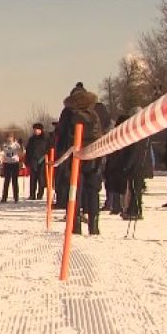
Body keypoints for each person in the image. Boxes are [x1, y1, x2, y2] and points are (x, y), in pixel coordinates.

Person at [58, 85, 104, 235]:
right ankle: (94, 225)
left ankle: (75, 224)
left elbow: (62, 134)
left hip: (75, 155)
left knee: (74, 190)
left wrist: (61, 157)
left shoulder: (68, 112)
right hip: (94, 154)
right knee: (93, 191)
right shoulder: (96, 110)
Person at [25, 124, 49, 200]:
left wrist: (45, 157)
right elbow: (28, 150)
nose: (36, 131)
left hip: (42, 161)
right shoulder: (31, 139)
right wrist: (27, 161)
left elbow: (48, 150)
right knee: (33, 179)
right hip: (33, 161)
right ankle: (32, 194)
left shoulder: (45, 139)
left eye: (37, 129)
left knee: (41, 179)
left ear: (41, 130)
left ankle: (40, 194)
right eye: (34, 129)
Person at [0, 134, 23, 203]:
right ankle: (4, 198)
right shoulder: (4, 145)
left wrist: (21, 146)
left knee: (14, 181)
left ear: (13, 138)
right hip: (7, 164)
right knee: (6, 181)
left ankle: (16, 197)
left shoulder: (16, 145)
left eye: (11, 137)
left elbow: (21, 153)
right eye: (8, 137)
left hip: (14, 163)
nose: (9, 139)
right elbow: (0, 152)